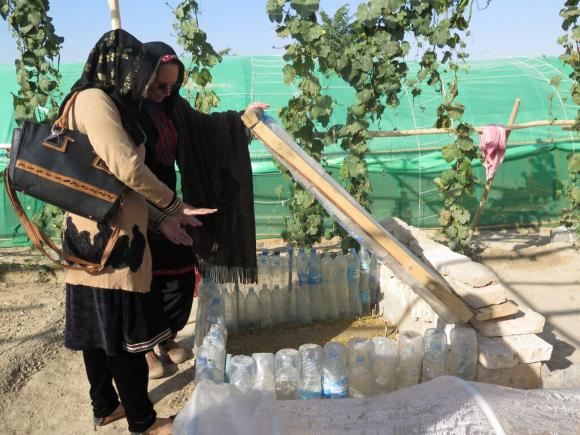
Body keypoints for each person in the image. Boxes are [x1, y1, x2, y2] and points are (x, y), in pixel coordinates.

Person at [60, 29, 216, 435]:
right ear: (122, 66)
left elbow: (116, 183)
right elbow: (127, 168)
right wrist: (172, 204)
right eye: (142, 70)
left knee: (98, 332)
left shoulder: (102, 101)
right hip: (108, 240)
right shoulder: (95, 101)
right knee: (118, 336)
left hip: (99, 231)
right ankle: (144, 423)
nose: (145, 80)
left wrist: (162, 219)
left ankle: (106, 407)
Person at [137, 41, 268, 377]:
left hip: (170, 199)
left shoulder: (172, 107)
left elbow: (207, 129)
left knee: (178, 274)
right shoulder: (128, 111)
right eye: (158, 85)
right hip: (136, 201)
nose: (165, 92)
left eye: (171, 86)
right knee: (142, 278)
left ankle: (164, 337)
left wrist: (241, 121)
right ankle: (144, 351)